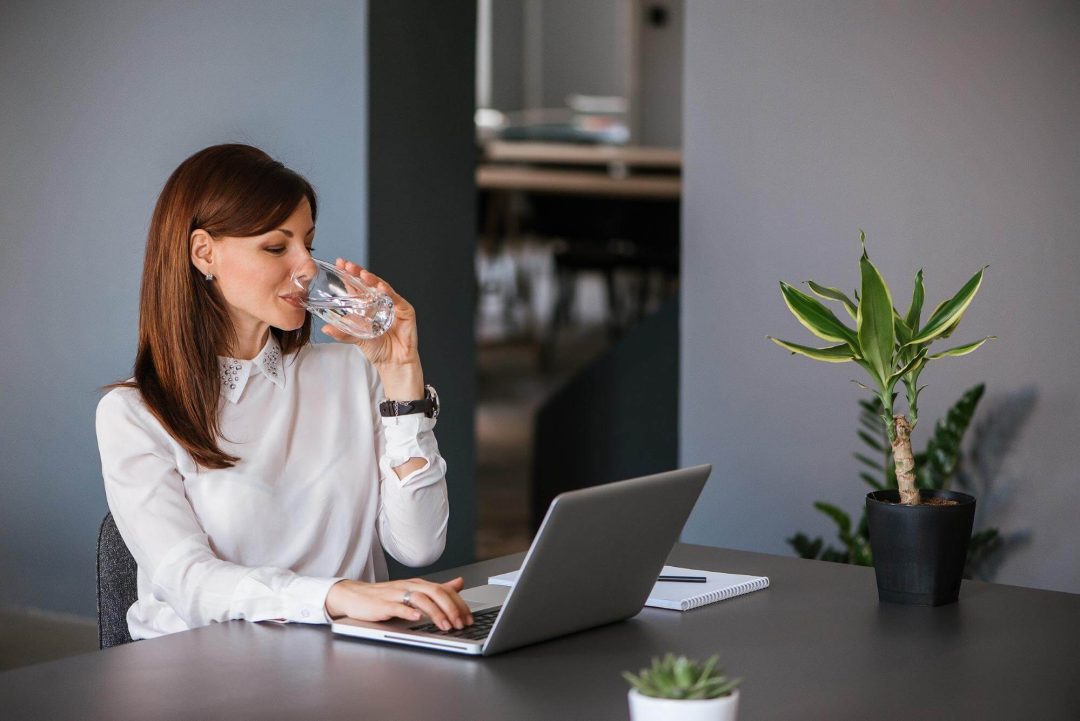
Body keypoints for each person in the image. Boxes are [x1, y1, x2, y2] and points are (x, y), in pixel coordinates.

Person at [96, 144, 472, 640]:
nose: (307, 267)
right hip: (199, 675)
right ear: (203, 253)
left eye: (308, 245)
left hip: (348, 661)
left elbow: (419, 547)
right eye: (277, 247)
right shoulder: (133, 413)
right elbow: (190, 583)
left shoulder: (353, 372)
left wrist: (403, 374)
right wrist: (337, 595)